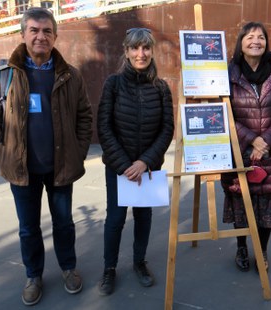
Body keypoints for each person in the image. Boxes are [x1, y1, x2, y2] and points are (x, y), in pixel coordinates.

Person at [0, 7, 92, 306]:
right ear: (23, 34)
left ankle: (68, 268)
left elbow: (84, 115)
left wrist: (78, 153)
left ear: (55, 36)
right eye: (34, 30)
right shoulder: (4, 73)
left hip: (60, 167)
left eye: (47, 31)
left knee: (64, 224)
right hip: (21, 169)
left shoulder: (70, 75)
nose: (41, 36)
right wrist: (1, 153)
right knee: (28, 228)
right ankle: (34, 275)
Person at [96, 27, 174, 295]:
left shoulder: (161, 88)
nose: (141, 54)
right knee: (115, 220)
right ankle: (109, 269)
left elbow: (167, 129)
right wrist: (125, 166)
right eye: (135, 48)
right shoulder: (113, 84)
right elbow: (104, 128)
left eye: (146, 48)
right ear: (126, 52)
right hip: (119, 169)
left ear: (151, 51)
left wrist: (145, 162)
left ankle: (140, 262)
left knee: (144, 218)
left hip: (148, 169)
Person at [221, 22, 271, 272]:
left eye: (261, 37)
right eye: (250, 36)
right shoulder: (227, 74)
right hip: (239, 151)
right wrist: (251, 139)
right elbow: (223, 113)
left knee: (268, 207)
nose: (256, 41)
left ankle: (261, 249)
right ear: (240, 43)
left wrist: (265, 142)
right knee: (240, 203)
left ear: (266, 42)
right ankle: (242, 246)